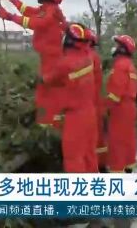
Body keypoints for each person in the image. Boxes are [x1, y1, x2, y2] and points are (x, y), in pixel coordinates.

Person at [0, 0, 67, 129]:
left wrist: (9, 17)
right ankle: (46, 126)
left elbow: (34, 23)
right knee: (44, 95)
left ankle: (50, 128)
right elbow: (27, 11)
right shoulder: (46, 9)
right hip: (48, 59)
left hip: (53, 61)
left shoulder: (52, 12)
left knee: (48, 96)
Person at [39, 23, 98, 172]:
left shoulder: (65, 64)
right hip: (90, 113)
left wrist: (39, 78)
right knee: (89, 154)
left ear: (68, 40)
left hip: (75, 118)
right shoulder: (88, 59)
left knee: (74, 158)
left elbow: (48, 80)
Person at [106, 34, 137, 173]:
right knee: (128, 138)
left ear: (123, 49)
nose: (115, 48)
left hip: (120, 108)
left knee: (117, 140)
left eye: (118, 45)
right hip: (130, 106)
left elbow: (115, 93)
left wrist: (105, 107)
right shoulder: (130, 66)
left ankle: (117, 170)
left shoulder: (120, 66)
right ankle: (129, 165)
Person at [84, 28, 107, 172]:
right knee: (99, 138)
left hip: (88, 104)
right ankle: (102, 165)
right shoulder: (95, 56)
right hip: (97, 102)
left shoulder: (86, 57)